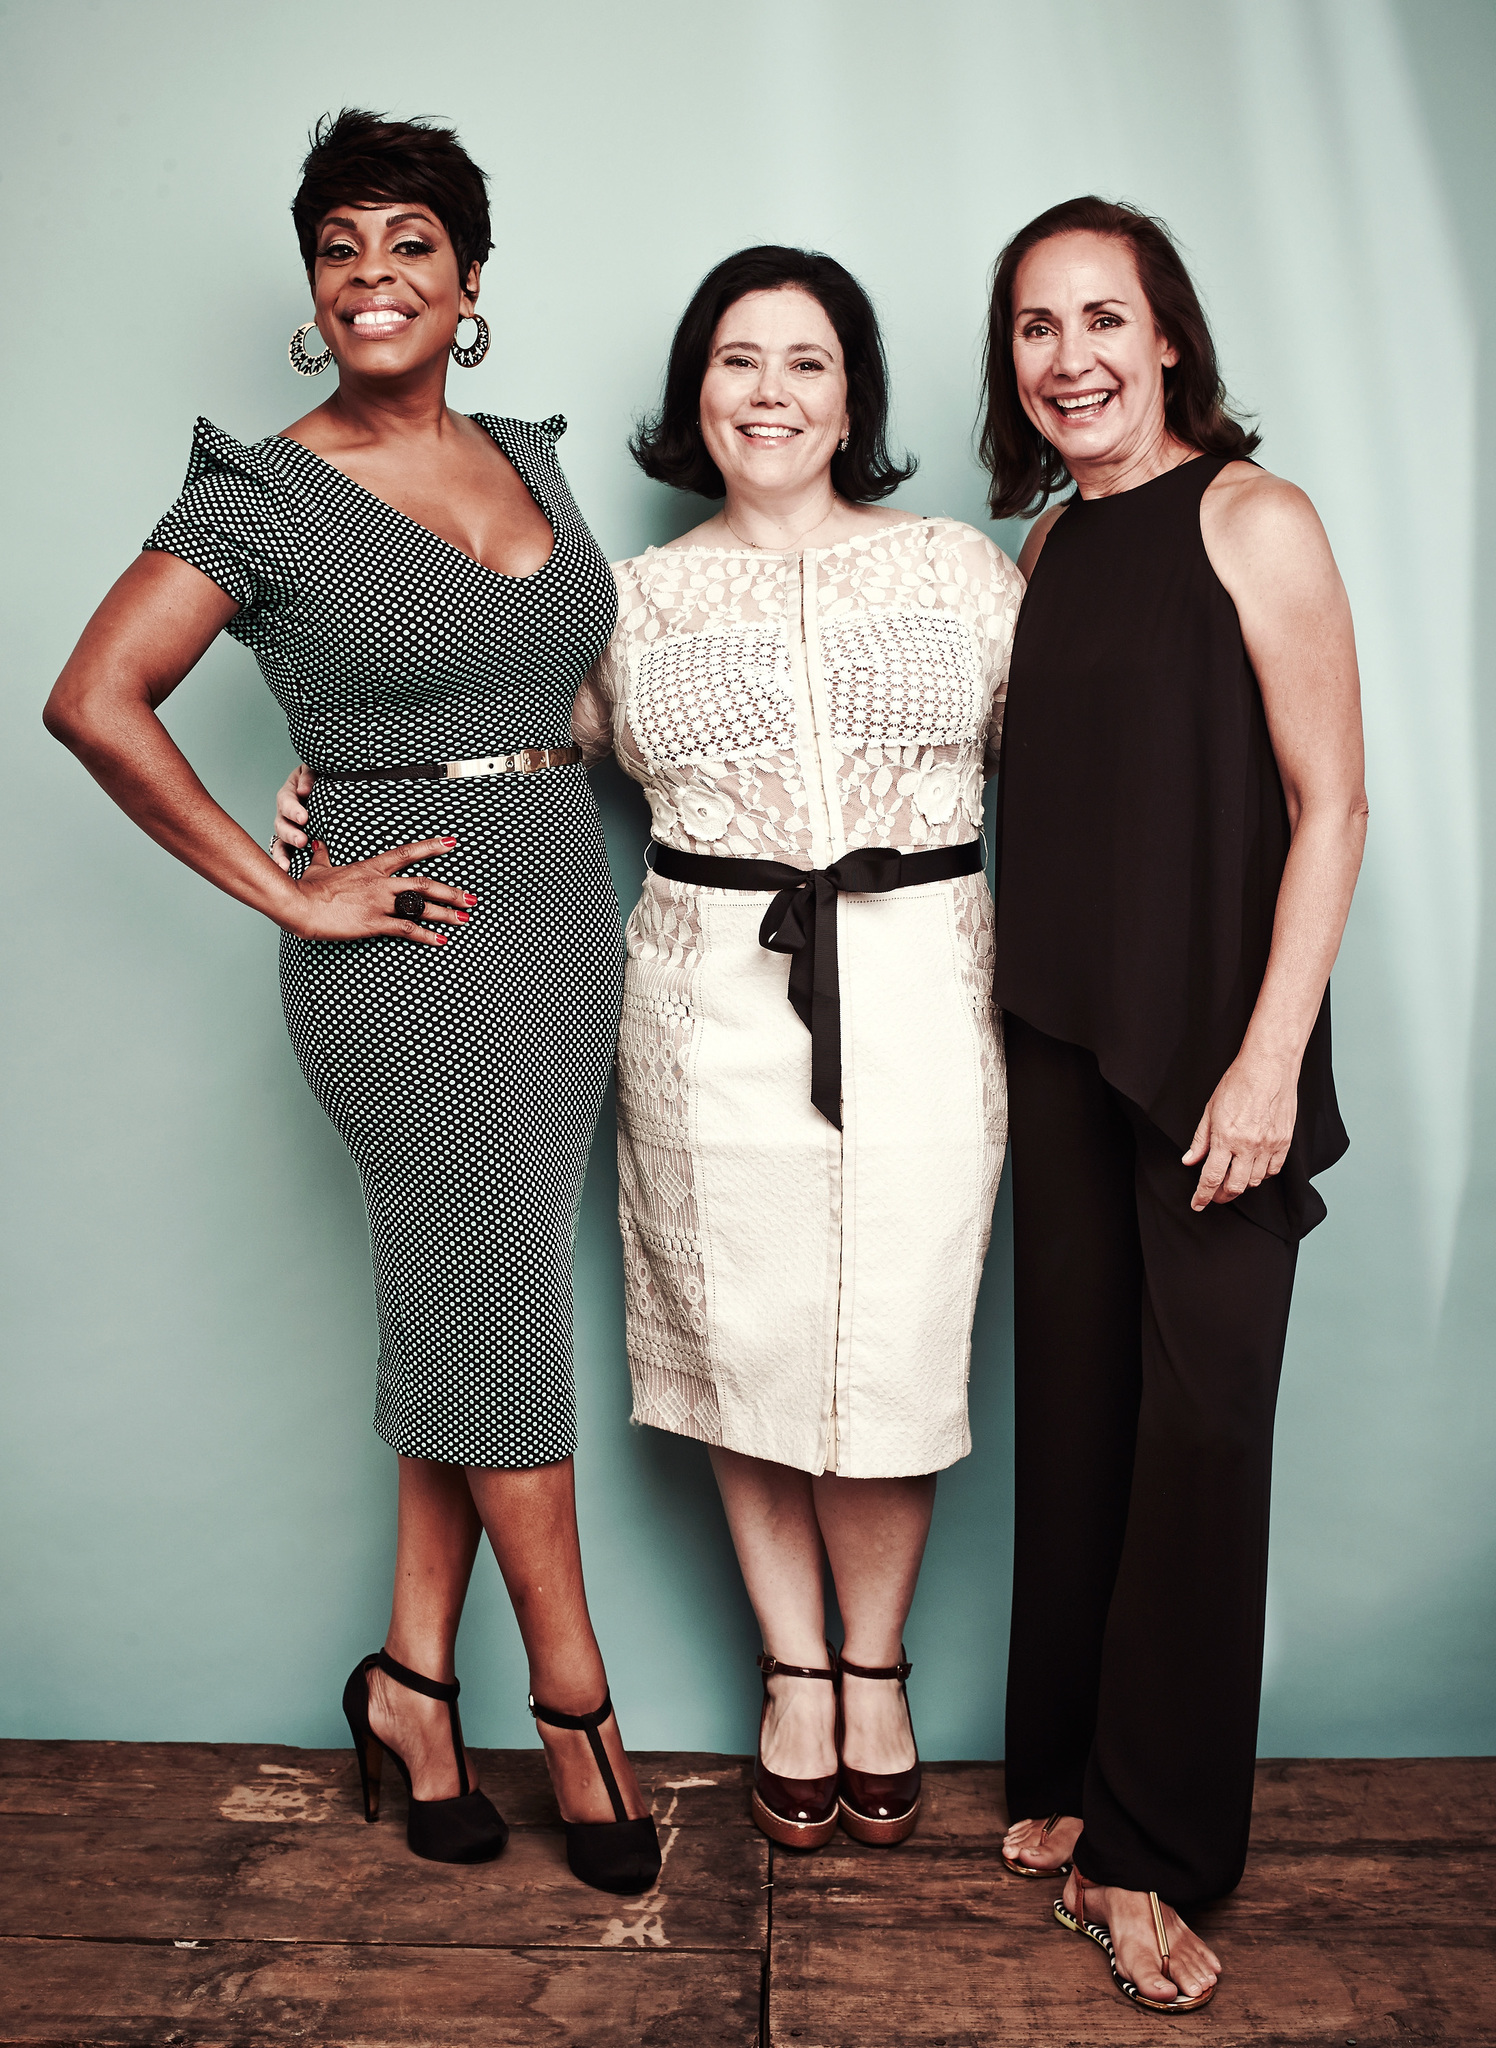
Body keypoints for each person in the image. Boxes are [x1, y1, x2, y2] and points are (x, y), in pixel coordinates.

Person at [42, 109, 659, 1897]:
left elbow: (557, 691)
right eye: (340, 248)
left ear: (471, 284)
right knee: (504, 1312)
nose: (373, 276)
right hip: (409, 945)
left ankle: (407, 1685)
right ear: (313, 295)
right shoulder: (263, 486)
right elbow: (95, 699)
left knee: (470, 1300)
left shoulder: (533, 461)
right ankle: (578, 1705)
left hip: (559, 916)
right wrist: (291, 883)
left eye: (411, 243)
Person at [981, 197, 1367, 2010]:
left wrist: (1274, 1052)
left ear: (1169, 339)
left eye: (1102, 319)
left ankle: (1152, 1856)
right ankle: (1065, 1778)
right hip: (1057, 1031)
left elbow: (1332, 805)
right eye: (1037, 326)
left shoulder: (1254, 518)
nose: (1070, 357)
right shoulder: (1054, 545)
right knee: (1079, 1412)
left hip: (1220, 1044)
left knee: (1202, 1439)